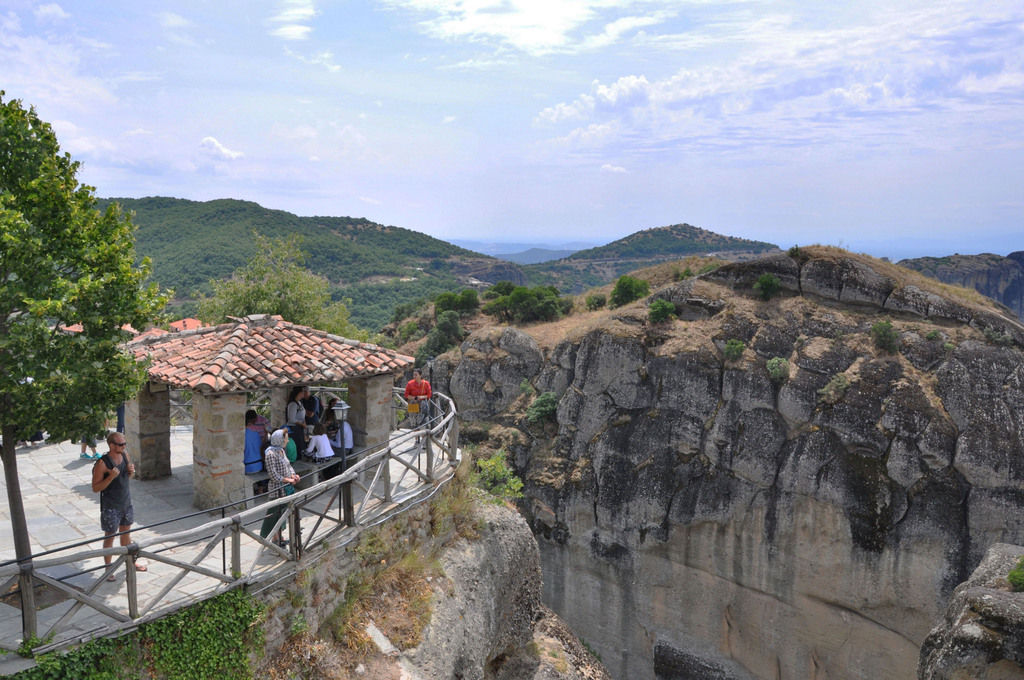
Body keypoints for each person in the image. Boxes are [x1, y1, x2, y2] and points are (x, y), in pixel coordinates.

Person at [92, 432, 147, 580]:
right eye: (121, 444)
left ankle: (130, 562)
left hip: (126, 503)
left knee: (126, 535)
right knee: (110, 537)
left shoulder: (124, 456)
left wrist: (131, 472)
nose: (124, 446)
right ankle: (108, 569)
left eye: (124, 444)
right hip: (110, 506)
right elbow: (96, 488)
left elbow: (127, 477)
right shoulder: (102, 463)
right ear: (111, 445)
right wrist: (110, 476)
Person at [260, 429, 299, 548]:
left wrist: (293, 475)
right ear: (279, 440)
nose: (287, 440)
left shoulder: (281, 450)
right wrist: (288, 480)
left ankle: (280, 537)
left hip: (285, 489)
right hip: (277, 489)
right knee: (274, 514)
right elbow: (273, 474)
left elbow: (288, 465)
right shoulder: (270, 454)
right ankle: (274, 538)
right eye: (285, 438)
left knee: (282, 513)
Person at [404, 368, 432, 445]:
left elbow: (429, 394)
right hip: (413, 404)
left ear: (420, 375)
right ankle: (416, 440)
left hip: (422, 405)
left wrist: (421, 397)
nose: (414, 376)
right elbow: (406, 394)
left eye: (416, 375)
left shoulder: (425, 384)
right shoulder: (410, 384)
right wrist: (413, 398)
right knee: (414, 422)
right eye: (413, 374)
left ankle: (423, 440)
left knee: (423, 422)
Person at [286, 386, 307, 452]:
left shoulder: (299, 403)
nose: (304, 393)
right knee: (297, 446)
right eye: (303, 391)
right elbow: (292, 419)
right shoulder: (293, 404)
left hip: (300, 427)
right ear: (299, 392)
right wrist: (302, 424)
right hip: (294, 428)